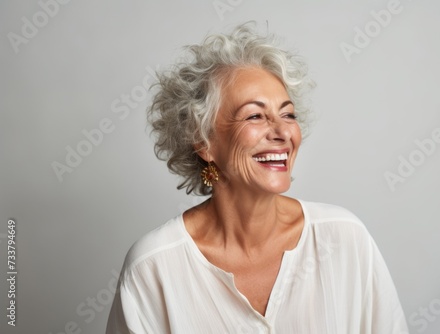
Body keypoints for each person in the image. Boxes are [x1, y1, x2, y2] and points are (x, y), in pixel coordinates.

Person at [106, 23, 409, 334]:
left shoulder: (344, 238)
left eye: (288, 114)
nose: (282, 132)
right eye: (255, 115)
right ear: (203, 141)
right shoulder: (153, 267)